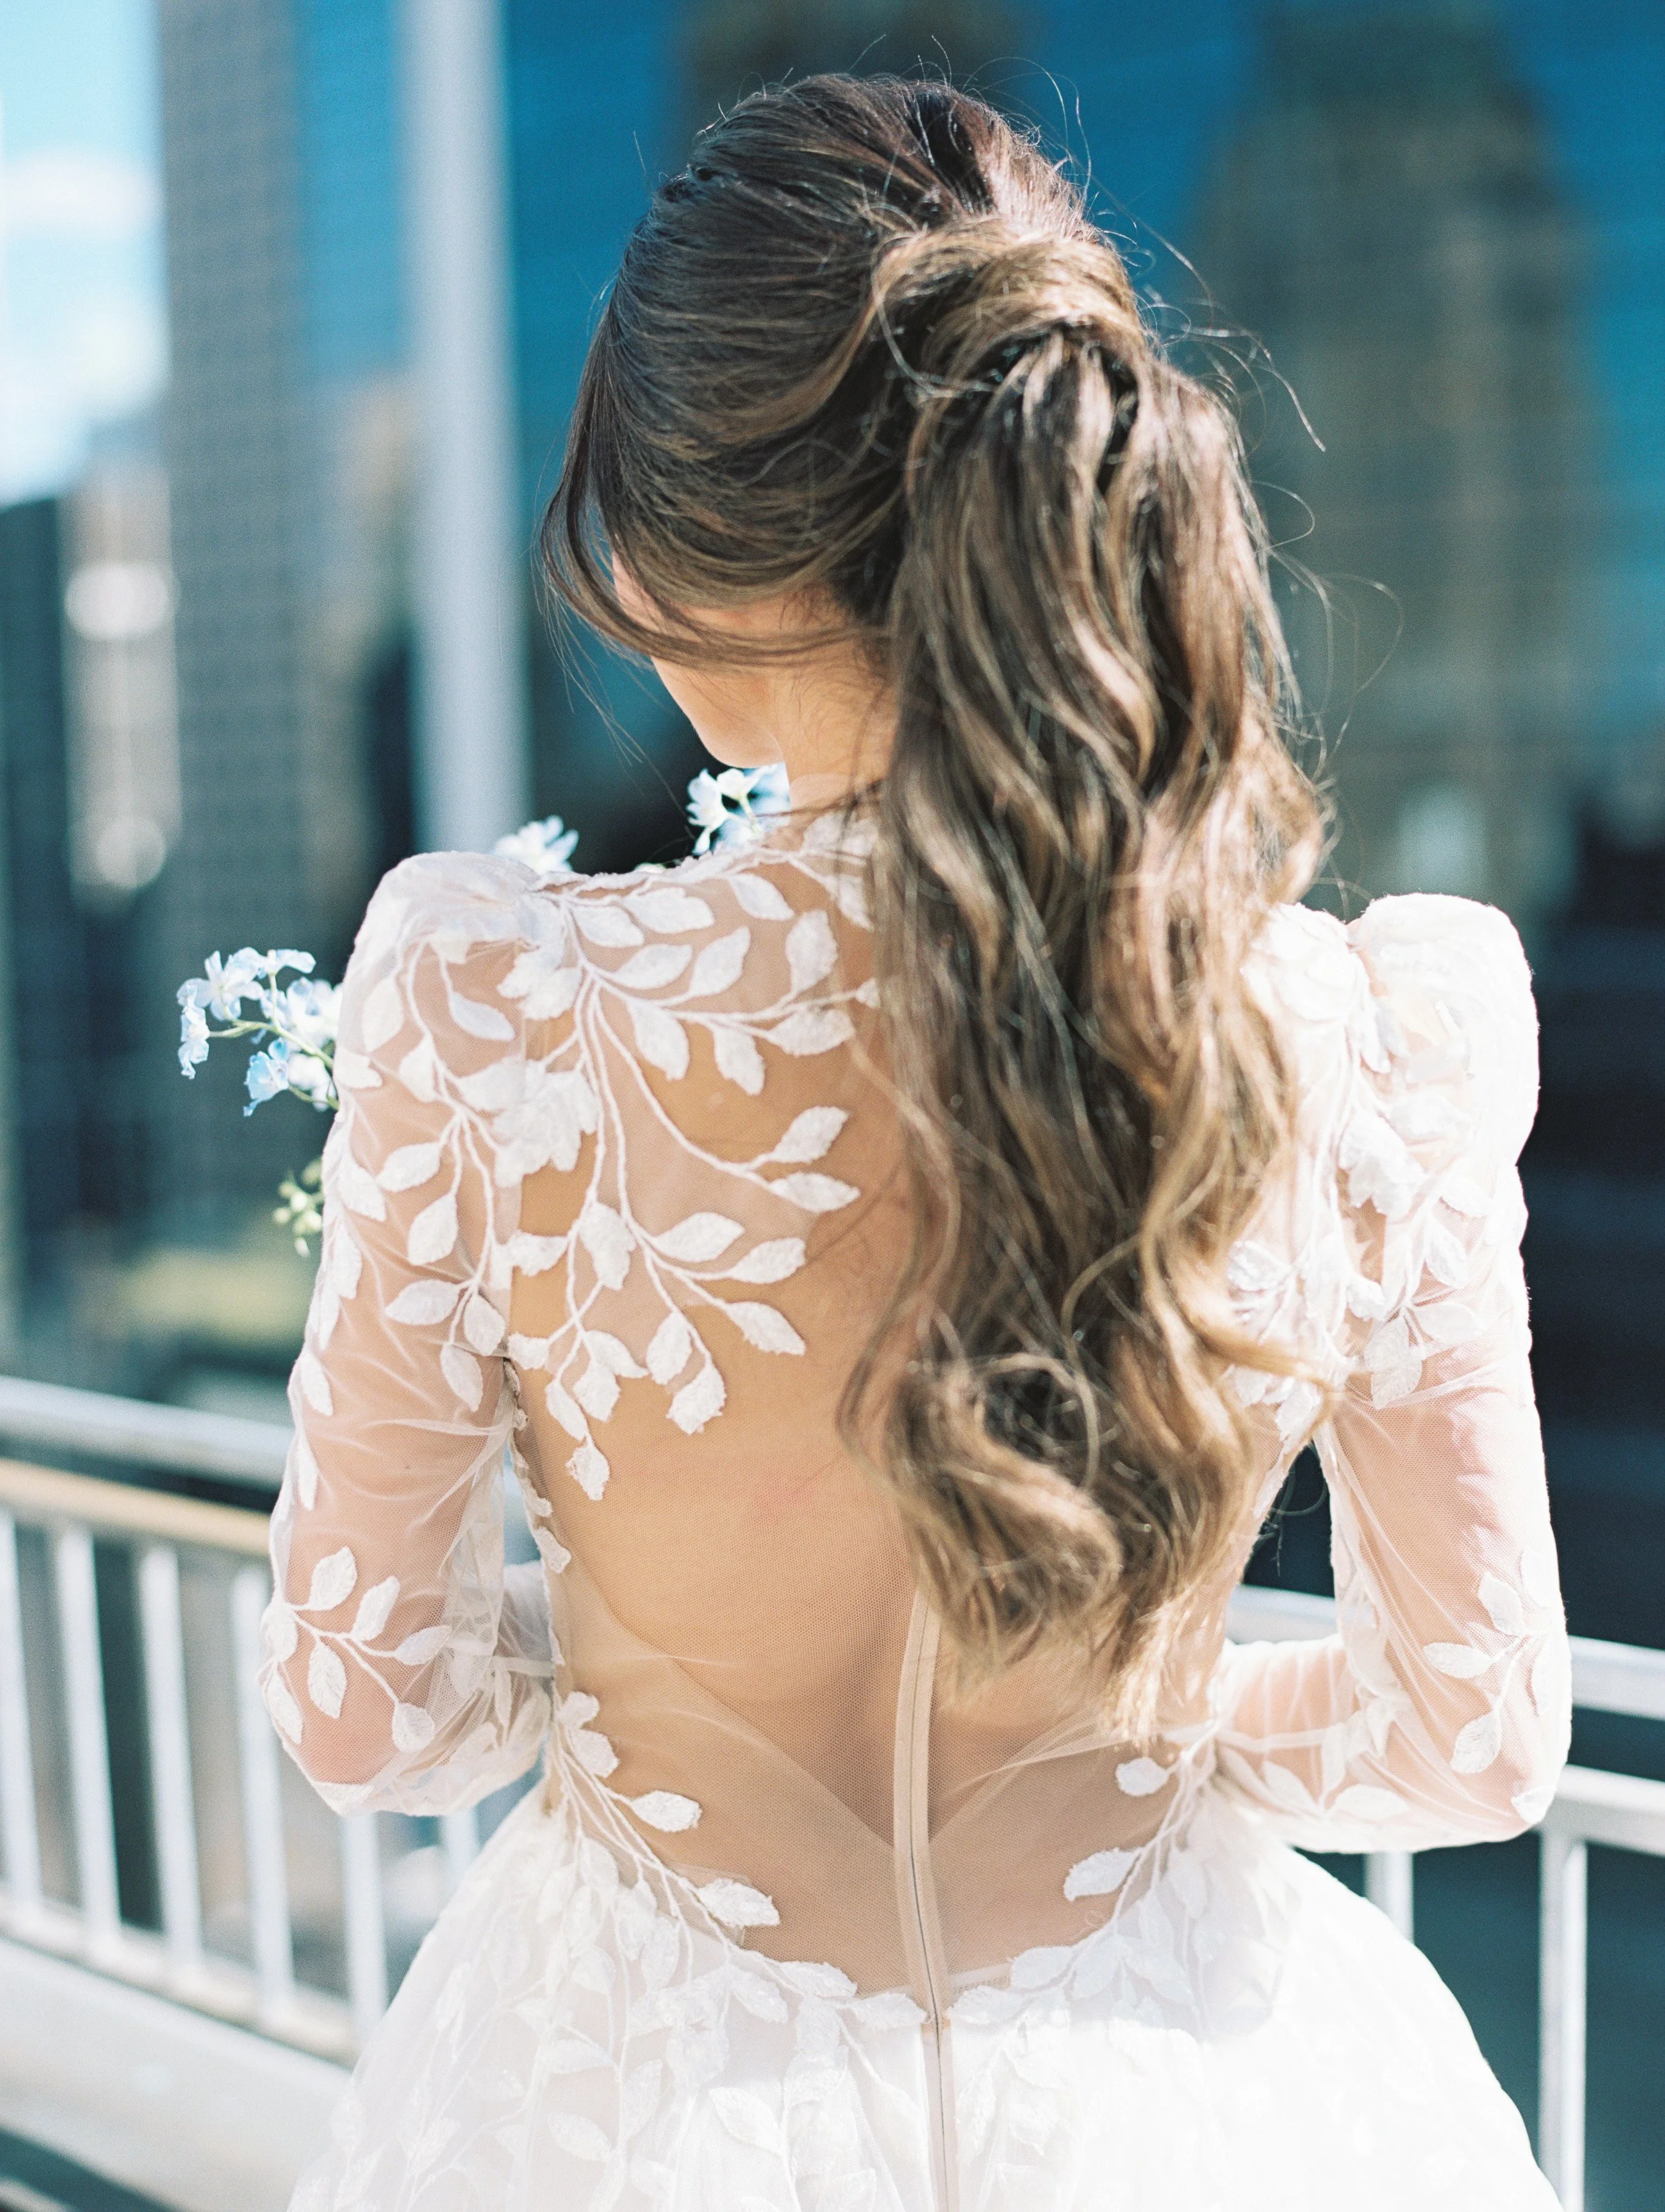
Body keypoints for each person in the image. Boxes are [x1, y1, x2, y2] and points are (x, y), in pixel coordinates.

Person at [264, 76, 1569, 2211]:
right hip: (1206, 2104)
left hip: (614, 2105)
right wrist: (1140, 1754)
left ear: (674, 530)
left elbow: (367, 1708)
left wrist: (623, 1695)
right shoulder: (1368, 1031)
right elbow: (1468, 1732)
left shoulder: (497, 1002)